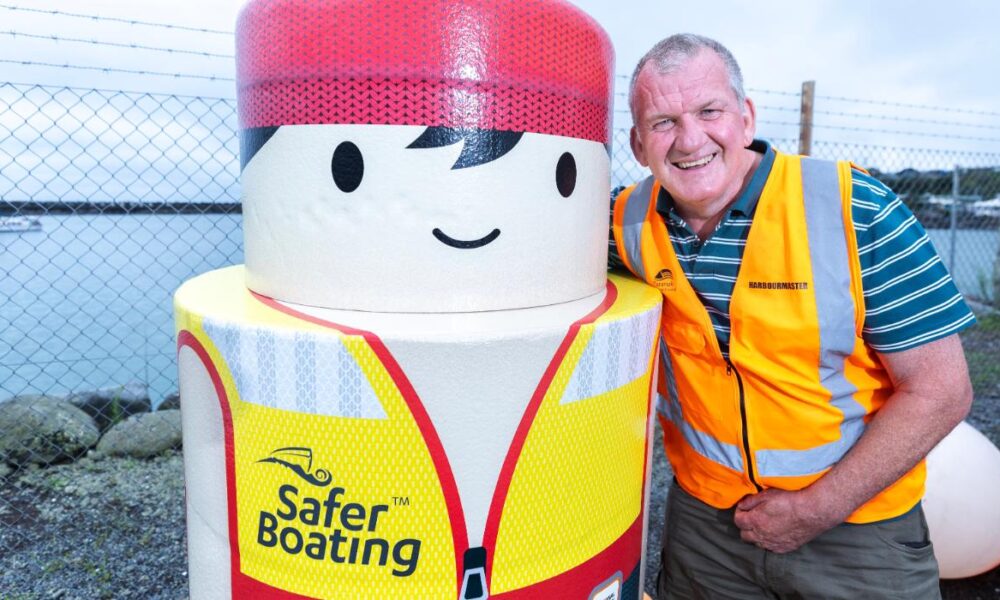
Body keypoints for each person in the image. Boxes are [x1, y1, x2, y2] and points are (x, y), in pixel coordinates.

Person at [610, 34, 976, 599]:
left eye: (709, 111)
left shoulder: (854, 209)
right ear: (637, 144)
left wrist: (818, 508)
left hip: (856, 530)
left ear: (746, 117)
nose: (690, 139)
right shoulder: (623, 223)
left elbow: (942, 390)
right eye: (663, 122)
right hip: (706, 530)